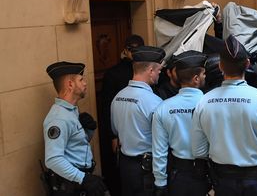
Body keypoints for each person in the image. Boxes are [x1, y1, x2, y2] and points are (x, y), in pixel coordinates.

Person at [191, 35, 257, 196]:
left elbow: (199, 151)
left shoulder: (203, 102)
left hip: (222, 182)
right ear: (248, 64)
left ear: (220, 66)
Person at [43, 61, 107, 196]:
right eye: (81, 79)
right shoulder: (58, 118)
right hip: (71, 184)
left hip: (80, 179)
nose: (85, 83)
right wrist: (82, 178)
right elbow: (53, 159)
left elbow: (74, 145)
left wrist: (89, 131)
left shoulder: (71, 111)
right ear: (70, 84)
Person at [152, 50, 209, 196]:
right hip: (208, 174)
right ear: (196, 78)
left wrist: (160, 183)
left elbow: (159, 150)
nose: (205, 77)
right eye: (203, 74)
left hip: (178, 174)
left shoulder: (163, 107)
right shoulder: (210, 105)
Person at [110, 45, 165, 196]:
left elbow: (115, 131)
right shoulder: (154, 102)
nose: (160, 74)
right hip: (146, 169)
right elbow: (161, 140)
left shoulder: (118, 97)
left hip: (126, 167)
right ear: (151, 71)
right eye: (159, 70)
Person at [99, 34, 144, 196]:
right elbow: (106, 108)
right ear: (125, 50)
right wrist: (112, 136)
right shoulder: (113, 74)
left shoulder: (146, 71)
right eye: (132, 50)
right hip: (122, 128)